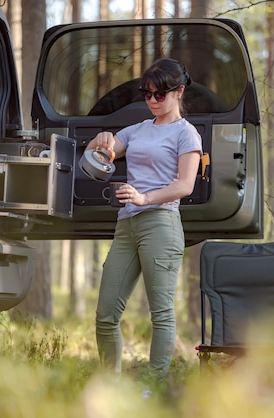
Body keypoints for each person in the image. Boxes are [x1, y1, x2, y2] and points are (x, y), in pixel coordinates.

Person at [86, 58, 203, 380]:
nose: (152, 101)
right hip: (127, 226)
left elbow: (185, 185)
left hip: (161, 224)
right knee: (106, 314)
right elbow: (99, 156)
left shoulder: (186, 134)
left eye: (159, 95)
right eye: (147, 94)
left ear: (178, 91)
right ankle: (109, 383)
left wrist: (144, 198)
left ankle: (155, 384)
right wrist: (102, 141)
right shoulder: (136, 131)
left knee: (161, 314)